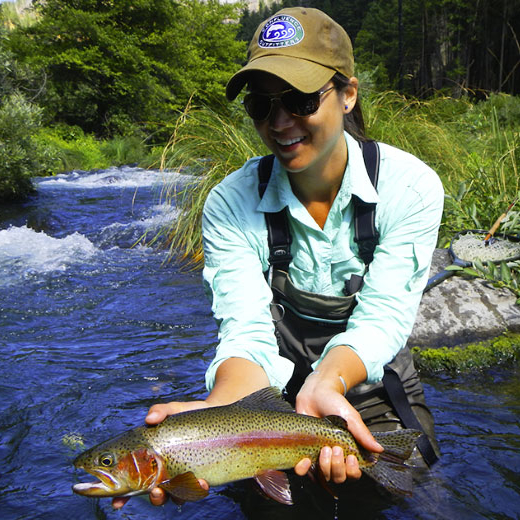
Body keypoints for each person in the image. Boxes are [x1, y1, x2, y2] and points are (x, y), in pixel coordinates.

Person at [113, 6, 443, 510]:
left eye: (299, 99)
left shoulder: (410, 186)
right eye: (261, 106)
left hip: (371, 387)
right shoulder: (230, 202)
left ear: (348, 93)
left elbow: (383, 319)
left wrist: (326, 384)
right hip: (269, 401)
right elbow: (245, 330)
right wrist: (218, 415)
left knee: (404, 495)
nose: (280, 121)